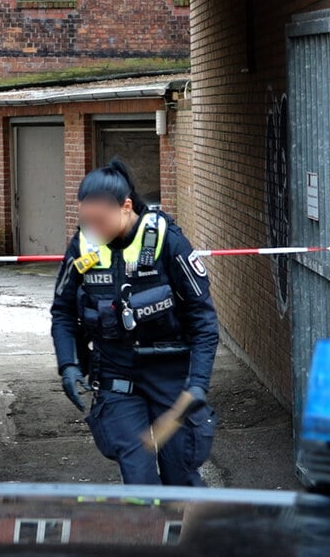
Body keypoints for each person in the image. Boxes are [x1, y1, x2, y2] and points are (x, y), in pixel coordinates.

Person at [51, 159, 219, 486]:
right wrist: (68, 365)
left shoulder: (167, 241)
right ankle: (147, 533)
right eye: (86, 220)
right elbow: (62, 312)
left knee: (180, 474)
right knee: (139, 481)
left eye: (99, 220)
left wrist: (198, 382)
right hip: (116, 374)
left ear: (126, 207)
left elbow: (203, 317)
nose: (92, 229)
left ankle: (193, 536)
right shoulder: (83, 247)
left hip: (171, 374)